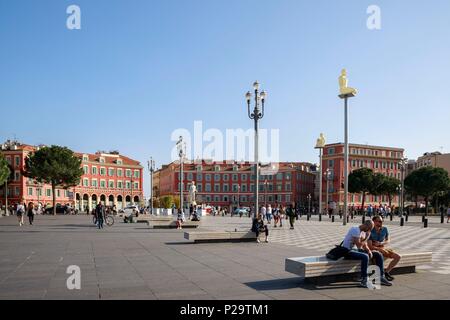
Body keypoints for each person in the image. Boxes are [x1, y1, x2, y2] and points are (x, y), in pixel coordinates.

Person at [342, 220, 392, 288]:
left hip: (355, 250)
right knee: (365, 256)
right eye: (369, 229)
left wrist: (369, 251)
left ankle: (381, 277)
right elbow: (359, 245)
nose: (369, 231)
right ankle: (364, 279)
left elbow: (364, 245)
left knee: (378, 254)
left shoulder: (363, 231)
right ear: (366, 226)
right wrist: (367, 237)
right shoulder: (355, 230)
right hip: (346, 251)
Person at [368, 216, 401, 281]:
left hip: (382, 248)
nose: (381, 223)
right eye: (379, 221)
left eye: (382, 221)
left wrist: (381, 243)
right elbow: (370, 246)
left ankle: (386, 272)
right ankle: (379, 275)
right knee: (378, 257)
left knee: (398, 257)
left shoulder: (384, 229)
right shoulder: (370, 231)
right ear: (374, 222)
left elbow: (388, 240)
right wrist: (379, 249)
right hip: (373, 249)